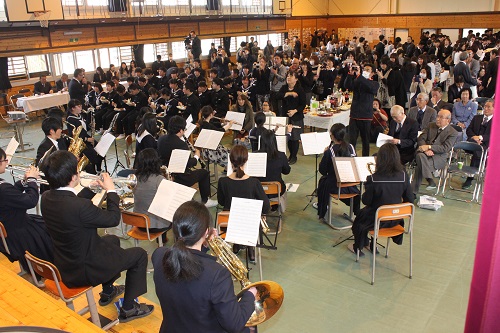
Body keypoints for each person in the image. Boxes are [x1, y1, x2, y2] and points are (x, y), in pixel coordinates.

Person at [41, 150, 154, 322]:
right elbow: (113, 219)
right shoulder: (79, 207)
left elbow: (69, 202)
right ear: (73, 178)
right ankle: (129, 309)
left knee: (112, 240)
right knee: (139, 256)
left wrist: (90, 189)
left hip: (66, 262)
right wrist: (111, 191)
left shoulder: (47, 197)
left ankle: (108, 291)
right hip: (85, 269)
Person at [152, 200, 257, 333]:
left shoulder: (159, 255)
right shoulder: (217, 274)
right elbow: (234, 325)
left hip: (172, 328)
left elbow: (187, 266)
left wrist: (203, 246)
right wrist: (249, 295)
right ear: (206, 232)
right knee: (250, 327)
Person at [348, 143, 414, 256]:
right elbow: (410, 199)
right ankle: (372, 245)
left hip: (377, 220)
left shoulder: (374, 178)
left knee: (359, 220)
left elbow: (366, 201)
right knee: (372, 213)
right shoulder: (403, 175)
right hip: (395, 219)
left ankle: (358, 247)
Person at [0, 148, 53, 271]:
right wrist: (32, 181)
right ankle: (49, 270)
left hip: (9, 225)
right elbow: (30, 201)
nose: (7, 163)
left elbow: (10, 197)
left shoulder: (3, 188)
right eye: (5, 160)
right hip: (19, 230)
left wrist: (24, 182)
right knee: (51, 232)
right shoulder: (3, 189)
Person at [217, 145, 271, 261]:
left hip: (229, 223)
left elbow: (221, 202)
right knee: (249, 217)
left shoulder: (223, 181)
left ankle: (236, 245)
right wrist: (262, 213)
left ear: (230, 161)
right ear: (246, 161)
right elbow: (266, 205)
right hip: (248, 224)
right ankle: (250, 248)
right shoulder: (254, 182)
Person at [157, 116, 217, 208]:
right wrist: (197, 156)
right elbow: (189, 163)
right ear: (180, 131)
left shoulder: (161, 139)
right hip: (180, 177)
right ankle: (206, 201)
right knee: (204, 173)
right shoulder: (181, 144)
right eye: (184, 129)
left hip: (165, 174)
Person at [316, 123, 360, 222]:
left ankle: (323, 209)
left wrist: (325, 155)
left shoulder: (330, 151)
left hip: (336, 187)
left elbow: (323, 171)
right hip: (351, 186)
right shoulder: (351, 147)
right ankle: (356, 212)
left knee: (323, 181)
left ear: (332, 136)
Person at [411, 109, 458, 193]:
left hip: (438, 157)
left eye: (441, 117)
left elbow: (445, 148)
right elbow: (421, 138)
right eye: (437, 116)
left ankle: (413, 193)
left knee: (419, 166)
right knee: (420, 156)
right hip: (423, 153)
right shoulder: (430, 125)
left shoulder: (453, 132)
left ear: (448, 120)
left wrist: (429, 147)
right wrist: (425, 150)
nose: (437, 119)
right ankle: (430, 180)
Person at [134, 148, 171, 243]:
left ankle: (162, 240)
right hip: (154, 226)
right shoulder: (159, 179)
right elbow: (168, 200)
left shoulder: (134, 178)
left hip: (138, 223)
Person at [344, 62, 380, 156]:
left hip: (366, 116)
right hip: (354, 114)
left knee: (365, 141)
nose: (365, 71)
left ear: (372, 73)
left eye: (368, 70)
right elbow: (347, 86)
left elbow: (370, 88)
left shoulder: (374, 84)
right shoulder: (358, 81)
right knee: (352, 141)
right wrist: (349, 75)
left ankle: (365, 160)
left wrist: (360, 76)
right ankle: (352, 157)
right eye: (364, 69)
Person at [462, 99, 494, 189]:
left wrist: (481, 138)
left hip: (487, 145)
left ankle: (470, 178)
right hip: (472, 143)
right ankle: (481, 172)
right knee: (478, 149)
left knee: (479, 151)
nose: (485, 109)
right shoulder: (477, 117)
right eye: (485, 107)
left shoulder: (497, 122)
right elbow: (469, 130)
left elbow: (494, 135)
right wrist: (475, 138)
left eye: (488, 107)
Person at [66, 99, 103, 174]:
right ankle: (93, 172)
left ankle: (98, 169)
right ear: (73, 108)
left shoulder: (80, 115)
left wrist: (92, 126)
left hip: (87, 137)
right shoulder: (70, 120)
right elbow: (74, 135)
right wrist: (87, 139)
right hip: (80, 142)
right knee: (92, 154)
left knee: (101, 150)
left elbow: (85, 128)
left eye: (81, 106)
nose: (81, 108)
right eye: (79, 106)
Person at [277, 72, 305, 165]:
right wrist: (289, 93)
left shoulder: (300, 89)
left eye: (291, 76)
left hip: (296, 116)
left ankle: (294, 156)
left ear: (296, 79)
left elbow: (303, 104)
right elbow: (277, 96)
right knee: (288, 136)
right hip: (286, 115)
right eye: (288, 76)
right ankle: (290, 156)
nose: (288, 77)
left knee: (295, 138)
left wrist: (295, 111)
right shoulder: (284, 88)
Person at [257, 129, 291, 198]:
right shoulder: (281, 155)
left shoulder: (255, 155)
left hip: (258, 191)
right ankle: (276, 205)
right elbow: (287, 171)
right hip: (276, 190)